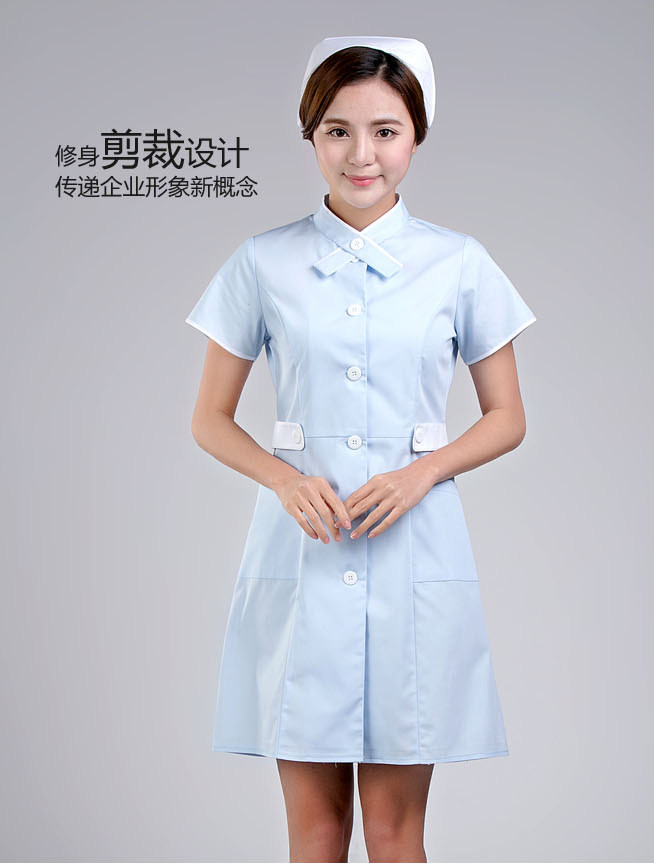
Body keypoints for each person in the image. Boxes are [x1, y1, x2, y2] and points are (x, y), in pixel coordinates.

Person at [185, 34, 536, 863]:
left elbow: (507, 416)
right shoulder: (263, 261)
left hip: (414, 546)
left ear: (416, 135)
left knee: (395, 831)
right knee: (314, 834)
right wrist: (282, 480)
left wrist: (423, 473)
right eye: (337, 131)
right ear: (311, 135)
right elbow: (209, 417)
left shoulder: (458, 262)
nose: (361, 154)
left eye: (385, 130)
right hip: (303, 549)